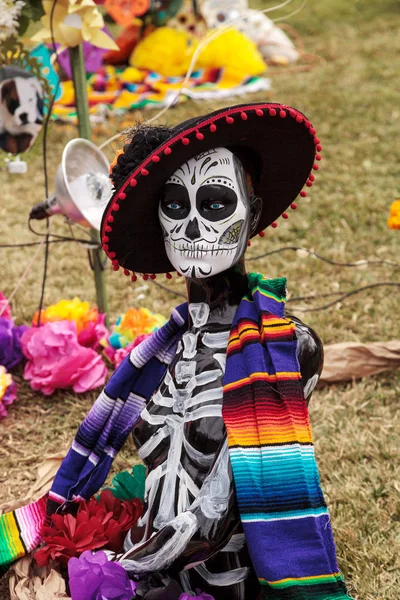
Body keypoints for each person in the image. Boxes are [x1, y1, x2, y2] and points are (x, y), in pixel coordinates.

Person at [47, 103, 350, 599]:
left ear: (250, 215)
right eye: (175, 206)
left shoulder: (289, 348)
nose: (191, 228)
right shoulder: (157, 353)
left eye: (213, 203)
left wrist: (117, 572)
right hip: (150, 558)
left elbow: (210, 520)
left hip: (227, 580)